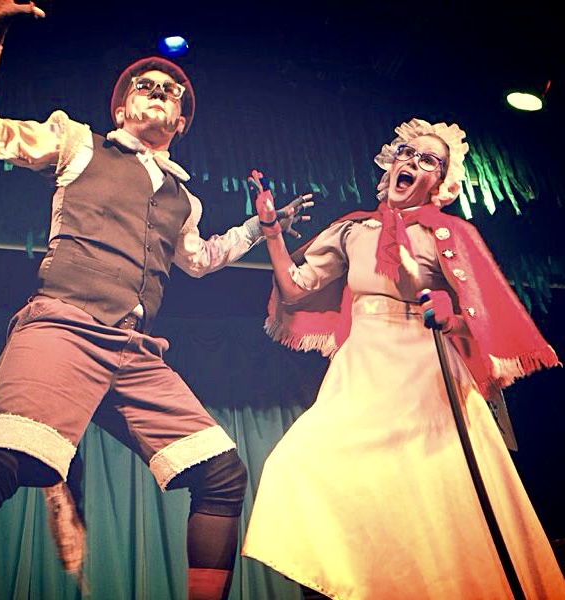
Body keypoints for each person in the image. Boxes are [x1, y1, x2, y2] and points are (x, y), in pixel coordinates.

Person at [0, 1, 312, 598]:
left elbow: (198, 260)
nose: (160, 91)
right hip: (63, 326)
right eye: (146, 85)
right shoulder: (77, 144)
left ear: (181, 123)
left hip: (133, 351)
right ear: (120, 110)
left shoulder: (184, 200)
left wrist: (260, 228)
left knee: (223, 477)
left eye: (172, 91)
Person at [241, 118, 565, 599]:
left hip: (424, 373)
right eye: (406, 153)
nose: (412, 161)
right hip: (361, 370)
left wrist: (450, 313)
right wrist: (271, 230)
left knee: (429, 501)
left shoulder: (448, 233)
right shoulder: (353, 230)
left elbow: (477, 313)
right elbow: (294, 288)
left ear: (440, 183)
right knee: (297, 464)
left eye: (428, 159)